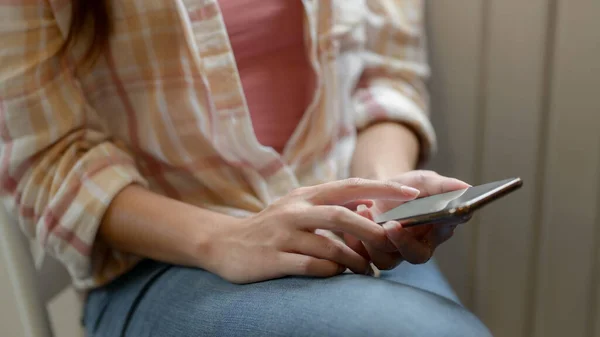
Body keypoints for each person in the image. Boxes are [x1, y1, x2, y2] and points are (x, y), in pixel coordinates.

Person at [0, 1, 491, 336]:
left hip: (350, 241)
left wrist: (383, 193)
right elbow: (45, 158)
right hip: (167, 263)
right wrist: (225, 239)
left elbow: (385, 74)